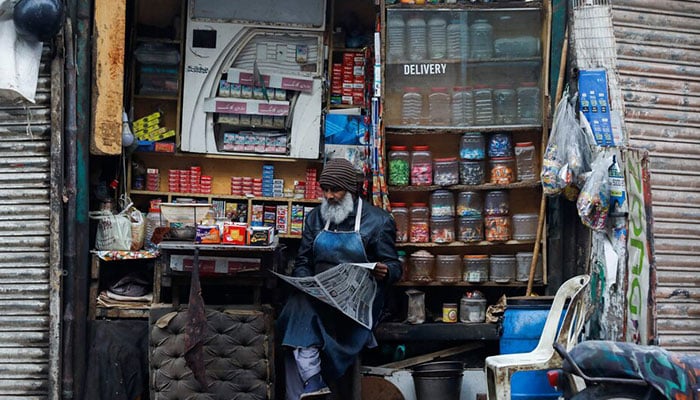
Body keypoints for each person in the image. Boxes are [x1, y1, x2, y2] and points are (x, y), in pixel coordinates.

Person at [277, 158, 402, 400]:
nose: (330, 195)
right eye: (325, 190)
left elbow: (395, 266)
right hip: (320, 297)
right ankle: (313, 381)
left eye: (336, 190)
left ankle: (312, 380)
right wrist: (306, 283)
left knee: (298, 313)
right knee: (298, 303)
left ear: (351, 191)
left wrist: (386, 271)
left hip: (357, 305)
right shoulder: (315, 218)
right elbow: (303, 262)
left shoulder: (378, 221)